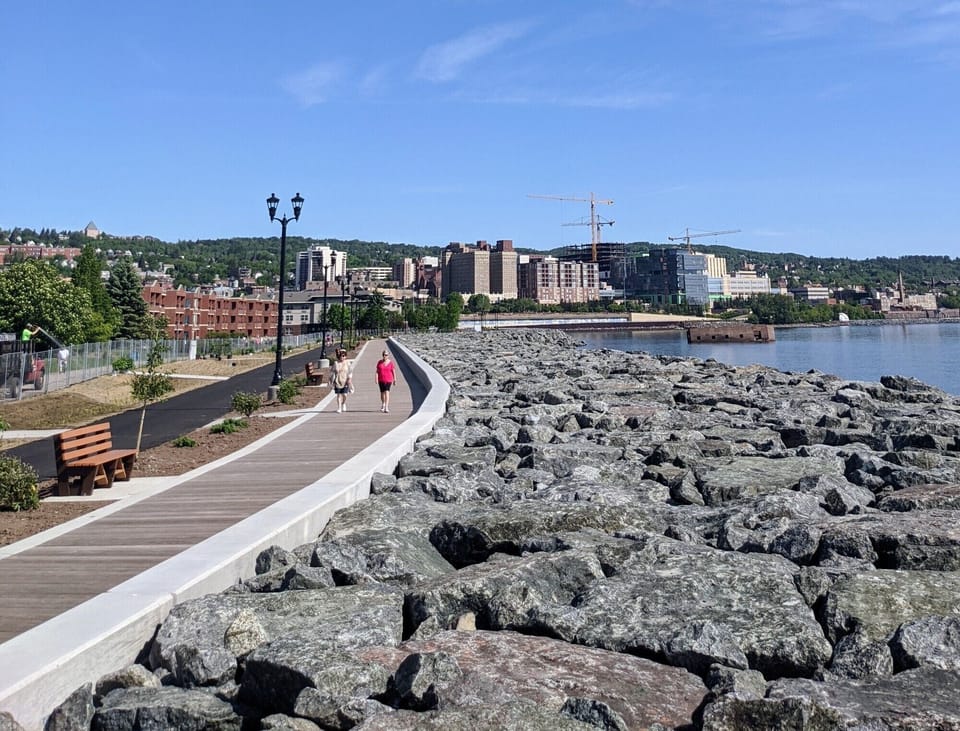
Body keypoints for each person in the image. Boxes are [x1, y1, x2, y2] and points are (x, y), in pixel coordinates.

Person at [329, 348, 353, 413]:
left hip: (345, 381)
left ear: (345, 356)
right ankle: (339, 407)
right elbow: (331, 372)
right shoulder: (336, 363)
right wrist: (331, 381)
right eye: (341, 356)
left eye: (343, 356)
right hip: (337, 381)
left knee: (345, 394)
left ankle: (343, 403)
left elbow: (350, 372)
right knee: (339, 395)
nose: (342, 357)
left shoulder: (348, 363)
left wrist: (349, 379)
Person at [375, 349, 395, 413]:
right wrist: (376, 378)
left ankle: (386, 406)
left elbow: (393, 371)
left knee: (387, 392)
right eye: (383, 355)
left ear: (388, 355)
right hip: (381, 379)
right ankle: (383, 404)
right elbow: (377, 371)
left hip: (389, 379)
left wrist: (395, 379)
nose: (384, 356)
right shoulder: (379, 362)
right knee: (382, 393)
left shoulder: (391, 363)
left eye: (386, 355)